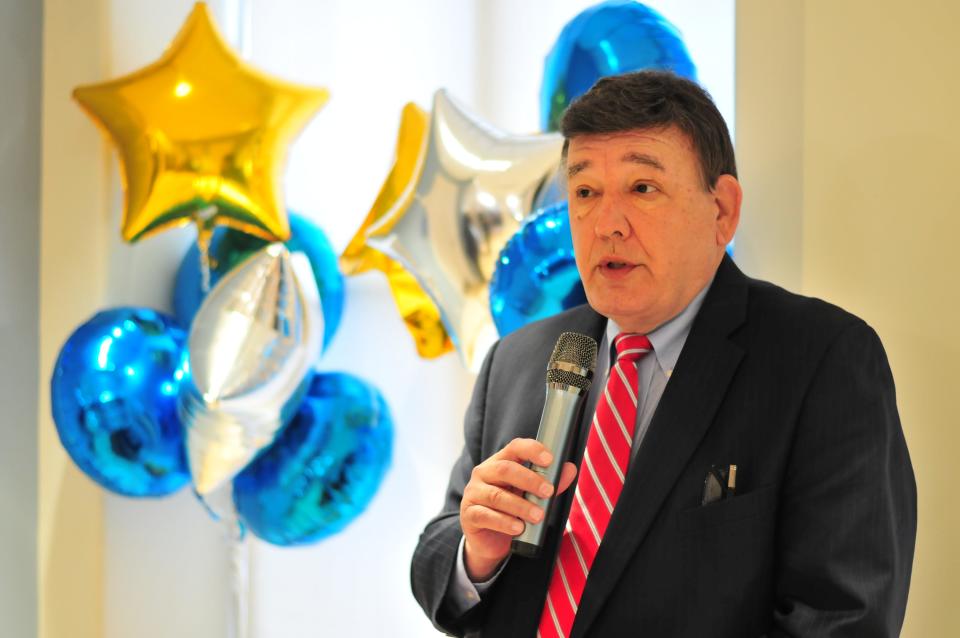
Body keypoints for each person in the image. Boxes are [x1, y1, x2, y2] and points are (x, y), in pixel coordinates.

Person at [410, 71, 916, 638]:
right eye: (585, 192)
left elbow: (845, 618)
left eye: (642, 189)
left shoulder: (821, 359)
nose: (606, 224)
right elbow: (438, 564)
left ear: (722, 209)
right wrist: (475, 555)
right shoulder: (519, 359)